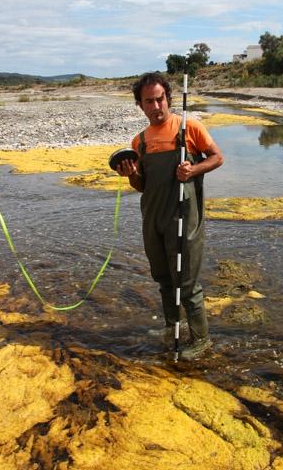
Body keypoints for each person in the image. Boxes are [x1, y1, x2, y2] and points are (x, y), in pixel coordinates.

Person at [116, 72, 224, 360]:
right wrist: (132, 173)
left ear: (168, 98)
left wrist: (193, 170)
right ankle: (171, 326)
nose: (156, 106)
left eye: (160, 99)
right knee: (164, 278)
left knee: (186, 283)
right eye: (149, 101)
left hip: (183, 217)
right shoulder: (138, 141)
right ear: (140, 105)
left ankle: (202, 340)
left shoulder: (189, 128)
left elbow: (217, 157)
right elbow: (141, 186)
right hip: (153, 218)